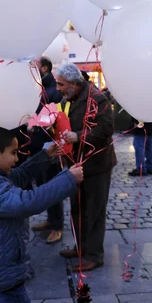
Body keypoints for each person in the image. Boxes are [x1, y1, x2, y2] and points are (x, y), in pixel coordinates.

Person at [0, 127, 83, 303]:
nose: (17, 158)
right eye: (13, 153)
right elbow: (27, 201)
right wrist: (68, 179)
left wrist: (45, 156)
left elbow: (20, 175)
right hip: (3, 267)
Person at [54, 63, 116, 272]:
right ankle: (81, 247)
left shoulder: (97, 98)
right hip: (77, 164)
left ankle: (94, 255)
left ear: (73, 83)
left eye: (61, 84)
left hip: (97, 165)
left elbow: (107, 129)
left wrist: (78, 136)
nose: (58, 89)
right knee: (78, 208)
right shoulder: (69, 98)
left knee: (94, 211)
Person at [31, 56, 66, 245]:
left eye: (35, 66)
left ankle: (57, 226)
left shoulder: (54, 90)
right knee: (44, 185)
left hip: (49, 145)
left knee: (52, 186)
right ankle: (51, 220)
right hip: (38, 144)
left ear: (43, 68)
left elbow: (56, 118)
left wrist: (36, 123)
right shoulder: (41, 87)